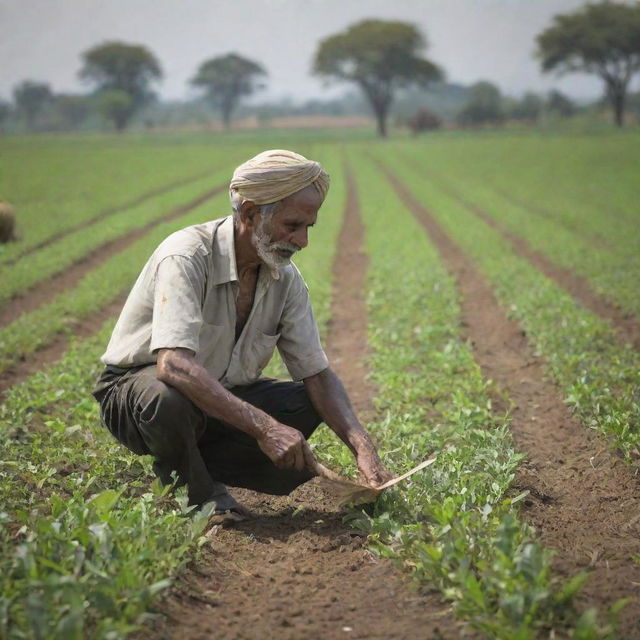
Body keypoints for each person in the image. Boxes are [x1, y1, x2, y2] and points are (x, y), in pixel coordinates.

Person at [92, 149, 390, 517]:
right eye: (292, 225)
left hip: (215, 393)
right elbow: (173, 366)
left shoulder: (285, 280)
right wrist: (266, 428)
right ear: (250, 213)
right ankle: (197, 494)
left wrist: (363, 446)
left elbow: (317, 373)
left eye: (308, 228)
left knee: (311, 400)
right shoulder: (187, 256)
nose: (302, 241)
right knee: (167, 399)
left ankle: (199, 463)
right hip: (137, 392)